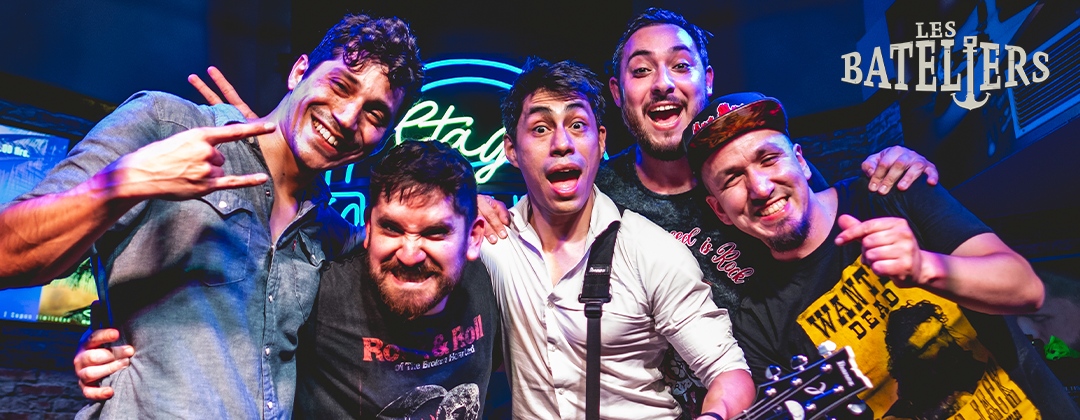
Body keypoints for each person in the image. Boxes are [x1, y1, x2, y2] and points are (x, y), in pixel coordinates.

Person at [0, 13, 424, 419]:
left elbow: (419, 250)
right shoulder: (167, 126)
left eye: (374, 114)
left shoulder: (327, 229)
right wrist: (126, 181)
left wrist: (461, 205)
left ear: (383, 138)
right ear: (299, 72)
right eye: (339, 85)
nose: (347, 117)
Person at [686, 91, 1079, 419]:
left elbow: (1026, 290)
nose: (760, 187)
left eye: (769, 158)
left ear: (801, 161)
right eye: (732, 178)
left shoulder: (891, 190)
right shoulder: (757, 320)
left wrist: (926, 267)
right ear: (720, 210)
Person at [482, 57, 753, 420]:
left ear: (600, 141)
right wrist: (461, 205)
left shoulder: (652, 251)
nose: (562, 143)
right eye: (541, 128)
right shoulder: (490, 244)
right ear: (511, 149)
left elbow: (729, 373)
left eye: (577, 125)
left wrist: (715, 415)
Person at [293, 140, 499, 420]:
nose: (409, 255)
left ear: (473, 238)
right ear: (369, 228)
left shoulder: (489, 280)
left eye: (435, 232)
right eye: (391, 228)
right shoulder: (318, 297)